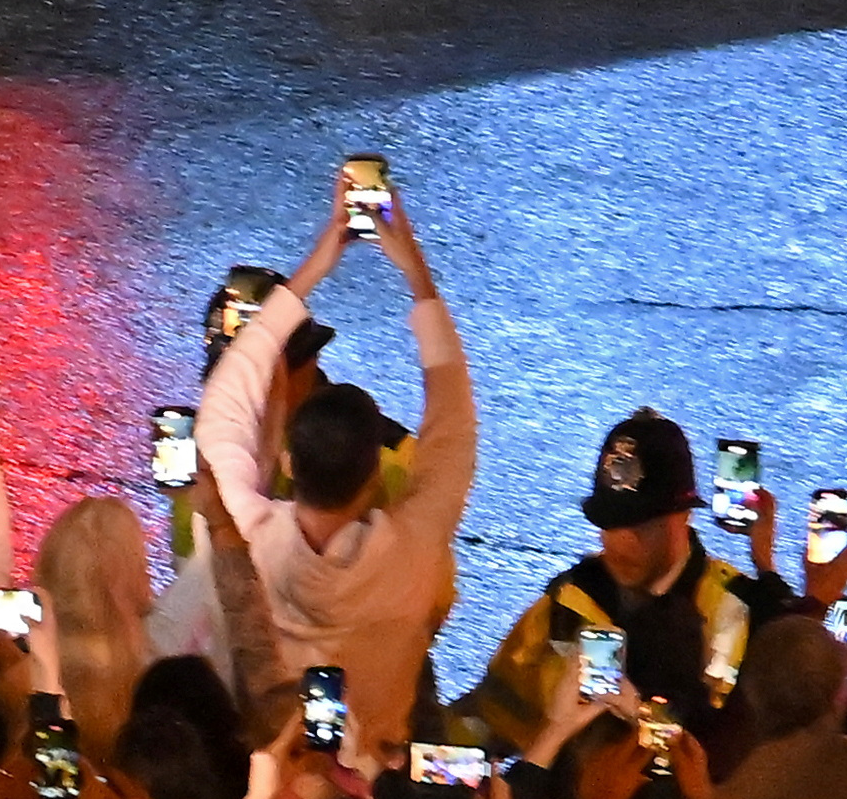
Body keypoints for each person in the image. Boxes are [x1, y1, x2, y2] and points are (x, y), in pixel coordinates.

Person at [184, 177, 480, 713]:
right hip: (377, 779)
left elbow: (223, 409)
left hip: (275, 768)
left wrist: (318, 261)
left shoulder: (243, 536)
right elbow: (453, 427)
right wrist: (417, 277)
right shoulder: (412, 551)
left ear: (292, 464)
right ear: (372, 476)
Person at [494, 409, 811, 723]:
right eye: (610, 523)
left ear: (684, 514)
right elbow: (489, 717)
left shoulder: (743, 612)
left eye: (641, 526)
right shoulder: (566, 605)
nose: (621, 543)